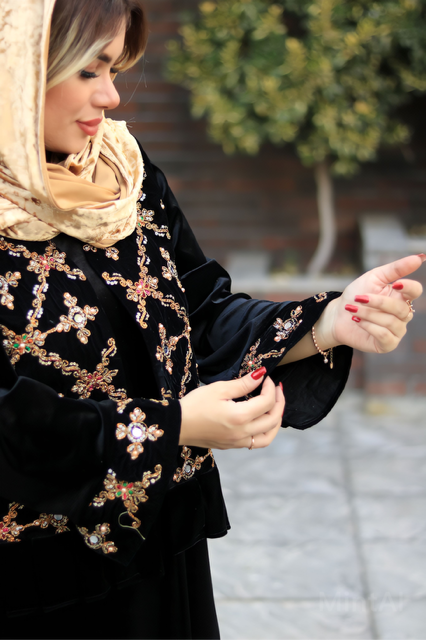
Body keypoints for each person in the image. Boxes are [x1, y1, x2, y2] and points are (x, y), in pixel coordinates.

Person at [0, 0, 423, 638]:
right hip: (38, 581)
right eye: (88, 70)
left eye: (113, 69)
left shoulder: (121, 172)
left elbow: (198, 309)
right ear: (20, 65)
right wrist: (172, 426)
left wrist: (330, 321)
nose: (110, 96)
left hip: (161, 546)